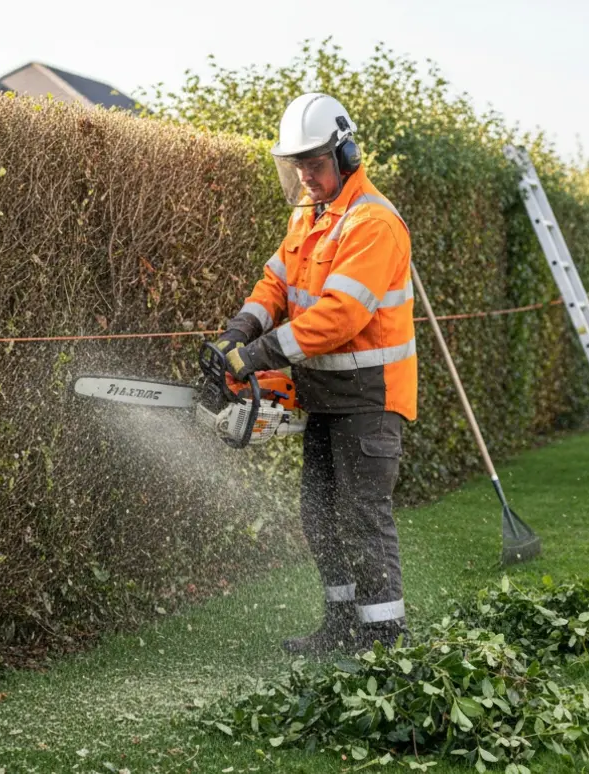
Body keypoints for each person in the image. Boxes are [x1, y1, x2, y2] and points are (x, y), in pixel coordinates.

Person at [218, 92, 417, 655]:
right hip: (323, 393)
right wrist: (239, 331)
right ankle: (342, 625)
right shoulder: (309, 215)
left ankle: (384, 638)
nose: (305, 175)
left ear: (346, 155)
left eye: (314, 162)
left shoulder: (373, 223)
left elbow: (341, 315)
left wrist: (259, 354)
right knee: (320, 514)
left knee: (362, 515)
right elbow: (277, 282)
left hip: (369, 396)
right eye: (297, 164)